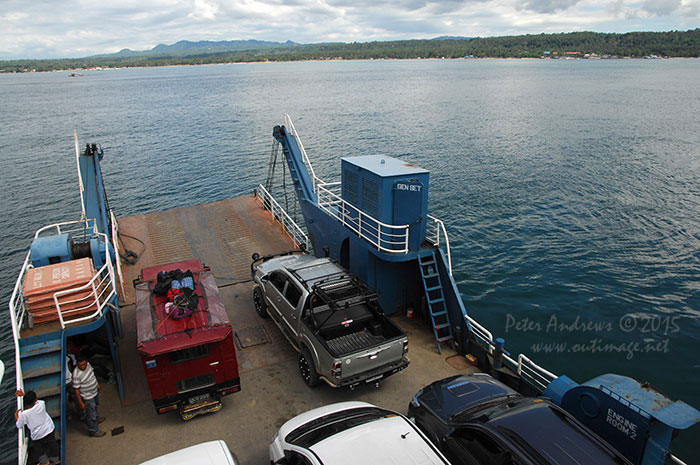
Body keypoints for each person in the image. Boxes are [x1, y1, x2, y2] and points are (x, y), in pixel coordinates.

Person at [14, 389, 60, 465]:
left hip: (38, 435)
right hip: (49, 429)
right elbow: (36, 401)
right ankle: (55, 459)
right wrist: (24, 395)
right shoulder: (41, 404)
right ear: (35, 400)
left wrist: (16, 417)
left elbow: (19, 424)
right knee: (52, 444)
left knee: (38, 448)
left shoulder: (24, 414)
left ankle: (45, 462)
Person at [72, 354, 105, 437]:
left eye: (84, 364)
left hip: (94, 392)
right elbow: (76, 390)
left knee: (95, 406)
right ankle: (94, 431)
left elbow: (92, 376)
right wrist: (81, 403)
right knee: (91, 414)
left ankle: (96, 419)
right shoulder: (76, 374)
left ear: (86, 363)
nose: (82, 367)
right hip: (87, 397)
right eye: (80, 365)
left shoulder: (89, 365)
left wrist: (97, 385)